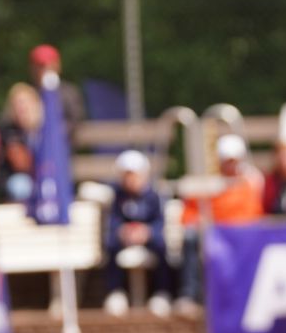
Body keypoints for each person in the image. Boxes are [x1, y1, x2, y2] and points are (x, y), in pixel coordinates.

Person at [175, 133, 264, 314]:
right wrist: (199, 221)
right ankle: (191, 294)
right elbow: (188, 214)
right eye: (227, 161)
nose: (230, 165)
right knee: (191, 238)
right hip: (213, 235)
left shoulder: (249, 184)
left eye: (234, 161)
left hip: (237, 236)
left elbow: (252, 216)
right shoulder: (207, 184)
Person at [101, 150, 171, 318]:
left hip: (148, 239)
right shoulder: (117, 196)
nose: (131, 180)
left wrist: (147, 232)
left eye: (134, 175)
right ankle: (115, 292)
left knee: (161, 246)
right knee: (111, 245)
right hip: (125, 240)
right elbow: (113, 223)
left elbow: (159, 223)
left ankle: (162, 293)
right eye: (127, 176)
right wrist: (123, 232)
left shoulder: (154, 196)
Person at [0, 82, 43, 205]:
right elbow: (21, 164)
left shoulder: (44, 130)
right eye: (17, 104)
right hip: (17, 178)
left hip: (43, 175)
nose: (22, 108)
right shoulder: (8, 131)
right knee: (21, 185)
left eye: (25, 103)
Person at [26, 44, 85, 133]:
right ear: (32, 68)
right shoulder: (26, 93)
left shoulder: (69, 92)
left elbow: (77, 118)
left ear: (58, 66)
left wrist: (55, 131)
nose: (45, 69)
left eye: (50, 65)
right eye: (40, 66)